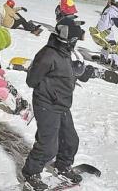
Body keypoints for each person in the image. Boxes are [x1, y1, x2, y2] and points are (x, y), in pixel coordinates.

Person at [21, 16, 86, 190]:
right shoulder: (48, 54)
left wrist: (75, 69)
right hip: (47, 103)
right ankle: (31, 172)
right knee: (48, 145)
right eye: (74, 39)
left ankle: (63, 166)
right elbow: (31, 80)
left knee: (70, 140)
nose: (75, 43)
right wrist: (50, 90)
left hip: (62, 104)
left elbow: (62, 72)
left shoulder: (64, 52)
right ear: (66, 38)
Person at [95, 0, 118, 70]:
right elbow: (117, 24)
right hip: (106, 30)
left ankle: (103, 59)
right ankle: (115, 64)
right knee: (114, 46)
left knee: (106, 44)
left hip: (99, 29)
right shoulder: (113, 11)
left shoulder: (108, 9)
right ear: (117, 4)